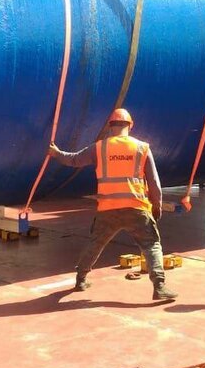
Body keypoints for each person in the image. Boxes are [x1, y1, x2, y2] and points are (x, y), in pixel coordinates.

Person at [47, 108, 178, 301]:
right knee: (151, 245)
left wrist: (56, 153)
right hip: (136, 207)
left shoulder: (99, 148)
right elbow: (154, 183)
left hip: (108, 208)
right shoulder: (142, 148)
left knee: (95, 244)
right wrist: (157, 206)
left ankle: (81, 280)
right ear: (130, 126)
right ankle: (159, 286)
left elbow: (74, 160)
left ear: (110, 127)